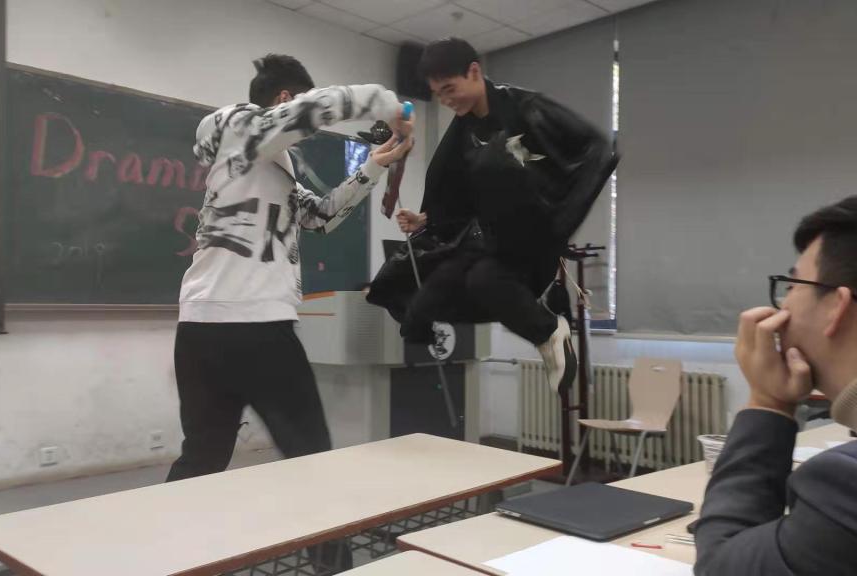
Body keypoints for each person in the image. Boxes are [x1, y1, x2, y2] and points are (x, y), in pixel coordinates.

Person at [167, 54, 413, 570]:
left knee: (203, 457)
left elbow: (320, 216)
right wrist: (387, 103)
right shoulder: (240, 125)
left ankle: (164, 558)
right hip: (255, 328)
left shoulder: (268, 162)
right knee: (310, 459)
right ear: (284, 99)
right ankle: (334, 566)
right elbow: (314, 110)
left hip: (202, 330)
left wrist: (374, 165)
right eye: (299, 103)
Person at [366, 38, 617, 391]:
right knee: (419, 306)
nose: (446, 100)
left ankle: (549, 332)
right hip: (488, 241)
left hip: (531, 242)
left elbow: (597, 149)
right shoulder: (464, 129)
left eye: (449, 89)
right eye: (438, 94)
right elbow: (458, 190)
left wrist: (559, 222)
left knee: (483, 279)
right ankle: (539, 332)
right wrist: (426, 219)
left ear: (474, 72)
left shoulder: (526, 108)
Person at [695, 194, 857, 576]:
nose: (782, 307)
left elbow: (720, 567)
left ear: (836, 306)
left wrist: (768, 401)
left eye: (792, 284)